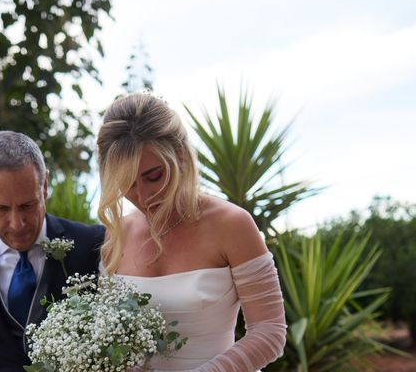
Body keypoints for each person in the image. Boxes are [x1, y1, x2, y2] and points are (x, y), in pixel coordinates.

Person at [97, 93, 287, 372]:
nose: (143, 195)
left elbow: (270, 330)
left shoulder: (231, 224)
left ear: (181, 155)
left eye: (153, 176)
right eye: (126, 183)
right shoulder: (116, 233)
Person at [0, 131, 104, 371]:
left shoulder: (93, 244)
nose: (16, 223)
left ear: (44, 185)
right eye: (1, 208)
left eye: (27, 205)